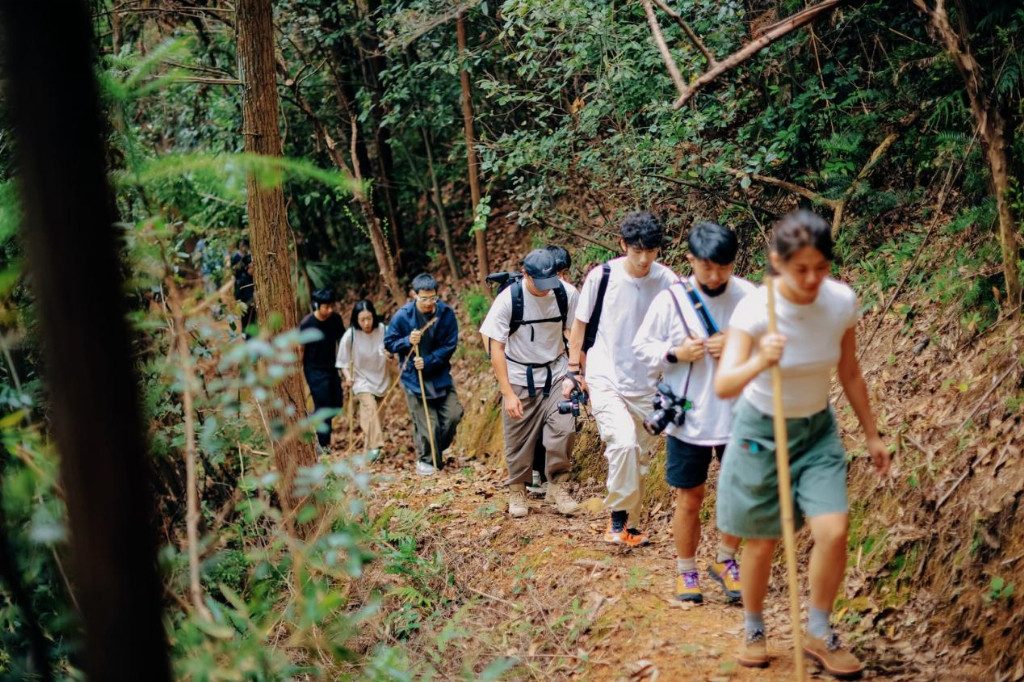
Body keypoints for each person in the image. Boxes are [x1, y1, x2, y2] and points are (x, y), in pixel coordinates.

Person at [713, 210, 890, 676]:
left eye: (821, 268)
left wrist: (872, 434)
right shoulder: (756, 310)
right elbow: (725, 384)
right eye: (801, 269)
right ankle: (754, 628)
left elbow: (850, 372)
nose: (812, 279)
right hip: (760, 432)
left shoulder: (840, 302)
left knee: (833, 530)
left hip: (816, 432)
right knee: (763, 540)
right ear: (778, 262)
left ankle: (818, 630)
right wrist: (760, 359)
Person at [634, 222, 755, 603]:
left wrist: (739, 345)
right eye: (707, 267)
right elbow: (641, 348)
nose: (715, 276)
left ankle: (726, 559)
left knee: (740, 492)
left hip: (739, 414)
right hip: (688, 417)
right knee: (690, 496)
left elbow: (774, 346)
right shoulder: (671, 300)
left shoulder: (750, 297)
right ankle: (686, 570)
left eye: (724, 267)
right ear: (691, 260)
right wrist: (675, 353)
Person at [565, 211, 677, 546]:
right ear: (623, 245)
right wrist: (574, 371)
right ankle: (617, 520)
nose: (644, 259)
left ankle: (632, 525)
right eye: (637, 251)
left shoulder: (668, 281)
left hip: (648, 383)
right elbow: (580, 327)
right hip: (605, 375)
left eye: (651, 251)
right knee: (623, 443)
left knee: (639, 457)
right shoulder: (602, 277)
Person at [479, 249, 582, 517]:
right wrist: (507, 393)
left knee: (564, 428)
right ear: (525, 274)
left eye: (552, 282)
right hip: (519, 376)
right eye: (541, 284)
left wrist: (578, 372)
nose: (548, 289)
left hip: (556, 373)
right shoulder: (509, 300)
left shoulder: (566, 293)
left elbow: (576, 334)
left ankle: (557, 487)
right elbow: (496, 347)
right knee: (518, 439)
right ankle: (517, 491)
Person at [384, 273, 464, 476]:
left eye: (433, 298)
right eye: (424, 298)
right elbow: (389, 343)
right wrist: (407, 341)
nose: (429, 303)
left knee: (453, 414)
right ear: (414, 295)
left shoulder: (445, 313)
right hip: (414, 378)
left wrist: (428, 361)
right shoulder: (403, 316)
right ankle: (427, 461)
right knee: (428, 425)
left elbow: (450, 345)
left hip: (439, 374)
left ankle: (436, 450)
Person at [526, 244, 579, 497]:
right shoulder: (534, 296)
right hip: (532, 369)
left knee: (559, 420)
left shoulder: (568, 295)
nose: (562, 279)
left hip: (560, 367)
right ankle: (536, 471)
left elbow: (576, 332)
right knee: (536, 423)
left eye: (565, 273)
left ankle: (552, 476)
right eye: (558, 274)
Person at [337, 299, 389, 461]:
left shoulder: (383, 330)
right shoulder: (351, 335)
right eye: (362, 320)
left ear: (374, 317)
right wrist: (348, 377)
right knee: (370, 407)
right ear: (356, 320)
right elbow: (342, 362)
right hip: (360, 380)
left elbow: (394, 349)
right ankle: (377, 446)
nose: (366, 323)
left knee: (375, 417)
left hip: (381, 379)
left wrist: (391, 354)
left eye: (369, 318)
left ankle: (369, 452)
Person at [299, 289, 346, 453]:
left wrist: (344, 363)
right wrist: (298, 371)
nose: (330, 310)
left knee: (337, 403)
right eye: (326, 307)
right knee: (324, 405)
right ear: (317, 306)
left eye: (332, 306)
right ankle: (322, 445)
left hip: (331, 367)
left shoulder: (335, 319)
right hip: (313, 370)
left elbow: (343, 341)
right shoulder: (307, 324)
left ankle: (311, 420)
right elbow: (301, 348)